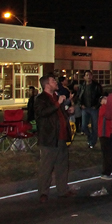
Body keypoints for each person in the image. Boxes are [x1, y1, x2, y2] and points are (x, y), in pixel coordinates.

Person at [34, 73, 76, 202]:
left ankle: (62, 190)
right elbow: (42, 113)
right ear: (46, 85)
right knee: (46, 166)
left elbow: (57, 114)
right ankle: (43, 192)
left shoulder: (56, 97)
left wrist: (67, 111)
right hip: (49, 137)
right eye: (53, 81)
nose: (55, 83)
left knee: (62, 165)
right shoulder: (41, 99)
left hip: (61, 137)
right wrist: (58, 104)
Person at [74, 70, 104, 149]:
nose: (88, 77)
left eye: (90, 75)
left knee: (95, 126)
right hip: (85, 108)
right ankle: (90, 136)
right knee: (83, 126)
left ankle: (92, 142)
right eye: (87, 75)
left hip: (94, 108)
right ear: (84, 77)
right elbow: (78, 97)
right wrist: (81, 105)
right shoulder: (82, 86)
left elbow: (100, 96)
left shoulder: (96, 86)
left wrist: (97, 105)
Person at [97, 95, 112, 180]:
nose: (107, 99)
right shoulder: (103, 108)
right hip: (105, 134)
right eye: (105, 99)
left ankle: (108, 171)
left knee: (108, 154)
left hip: (107, 134)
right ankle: (106, 172)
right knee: (107, 154)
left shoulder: (105, 108)